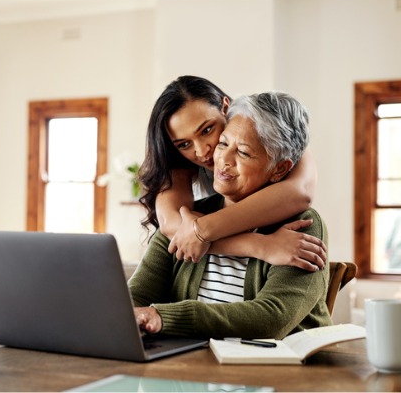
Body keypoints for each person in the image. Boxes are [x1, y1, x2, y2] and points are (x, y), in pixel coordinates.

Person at [129, 92, 332, 339]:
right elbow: (136, 295)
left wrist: (164, 317)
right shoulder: (189, 218)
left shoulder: (304, 225)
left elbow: (271, 319)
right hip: (194, 368)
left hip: (279, 371)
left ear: (279, 169)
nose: (221, 159)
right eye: (223, 144)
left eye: (244, 153)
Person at [138, 76, 326, 270]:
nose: (202, 152)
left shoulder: (273, 133)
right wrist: (260, 246)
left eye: (207, 130)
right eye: (184, 144)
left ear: (225, 108)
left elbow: (299, 192)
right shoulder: (179, 163)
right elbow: (172, 225)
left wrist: (202, 230)